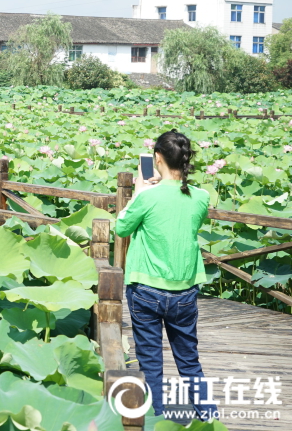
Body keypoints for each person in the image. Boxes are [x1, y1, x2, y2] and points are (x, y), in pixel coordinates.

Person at [115, 130, 217, 421]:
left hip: (146, 290)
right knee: (189, 361)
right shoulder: (201, 197)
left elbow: (121, 228)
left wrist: (139, 191)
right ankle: (209, 418)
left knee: (151, 364)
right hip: (185, 292)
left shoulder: (147, 196)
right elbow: (184, 221)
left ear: (156, 158)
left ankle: (158, 422)